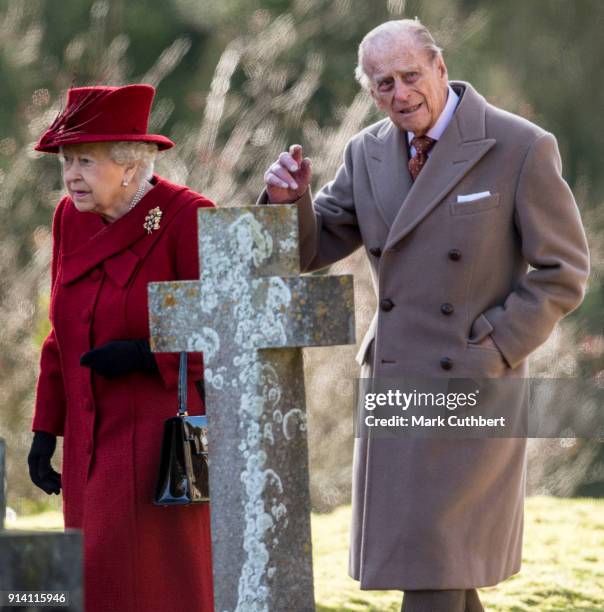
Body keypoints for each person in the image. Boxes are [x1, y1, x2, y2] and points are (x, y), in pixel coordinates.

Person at [261, 19, 589, 612]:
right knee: (440, 562)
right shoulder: (367, 152)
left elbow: (563, 272)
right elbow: (311, 249)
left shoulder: (520, 146)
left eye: (411, 75)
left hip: (471, 380)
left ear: (440, 67)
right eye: (382, 84)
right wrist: (289, 202)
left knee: (436, 557)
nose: (400, 93)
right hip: (393, 378)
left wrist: (492, 349)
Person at [28, 84, 214, 612]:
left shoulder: (186, 217)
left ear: (131, 165)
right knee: (96, 579)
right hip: (91, 436)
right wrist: (46, 428)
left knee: (155, 582)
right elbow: (59, 328)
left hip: (161, 436)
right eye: (67, 161)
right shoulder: (70, 217)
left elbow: (218, 329)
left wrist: (143, 352)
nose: (71, 176)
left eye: (86, 160)